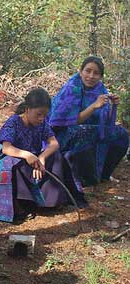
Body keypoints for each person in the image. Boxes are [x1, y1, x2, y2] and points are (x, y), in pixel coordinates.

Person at [49, 56, 129, 204]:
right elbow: (62, 122)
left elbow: (105, 122)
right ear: (80, 71)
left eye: (96, 73)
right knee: (85, 132)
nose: (91, 76)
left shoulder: (100, 89)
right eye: (88, 71)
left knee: (121, 135)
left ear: (101, 76)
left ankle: (103, 175)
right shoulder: (71, 88)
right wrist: (93, 106)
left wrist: (114, 105)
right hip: (62, 134)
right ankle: (84, 178)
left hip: (88, 130)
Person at [0, 87, 73, 223]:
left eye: (44, 115)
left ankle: (50, 202)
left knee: (57, 156)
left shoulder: (42, 124)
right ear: (27, 109)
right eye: (38, 114)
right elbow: (6, 148)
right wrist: (27, 155)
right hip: (17, 160)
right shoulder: (13, 123)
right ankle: (25, 204)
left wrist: (42, 157)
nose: (41, 119)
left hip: (35, 159)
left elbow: (54, 143)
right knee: (16, 167)